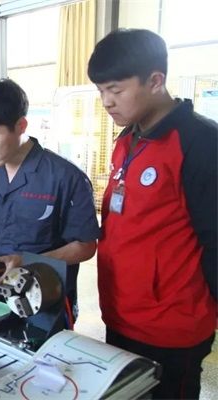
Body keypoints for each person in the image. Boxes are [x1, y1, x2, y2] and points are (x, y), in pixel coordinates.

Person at [88, 28, 217, 399]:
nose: (106, 102)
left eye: (115, 90)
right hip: (121, 311)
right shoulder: (127, 140)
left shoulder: (200, 143)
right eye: (101, 91)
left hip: (172, 326)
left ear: (156, 81)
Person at [0, 78, 99, 322]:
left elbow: (85, 246)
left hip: (41, 299)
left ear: (21, 125)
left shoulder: (65, 177)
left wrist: (28, 262)